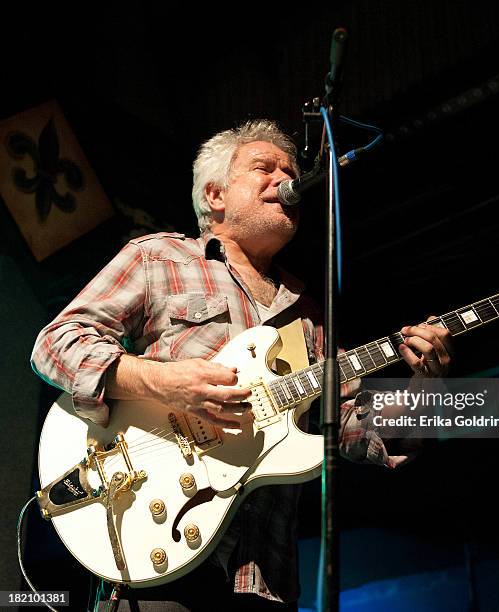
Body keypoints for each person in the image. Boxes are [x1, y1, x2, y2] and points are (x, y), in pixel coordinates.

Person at [31, 119, 453, 611]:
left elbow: (363, 436)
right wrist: (162, 381)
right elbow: (56, 343)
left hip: (262, 579)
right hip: (153, 552)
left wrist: (428, 383)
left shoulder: (311, 319)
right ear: (215, 195)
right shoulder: (159, 258)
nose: (284, 180)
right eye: (264, 168)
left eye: (289, 171)